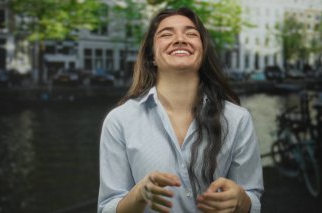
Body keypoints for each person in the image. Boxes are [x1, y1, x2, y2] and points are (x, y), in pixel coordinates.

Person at [98, 7, 263, 213]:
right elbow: (106, 208)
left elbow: (252, 197)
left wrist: (242, 201)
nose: (180, 39)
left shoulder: (238, 119)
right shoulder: (119, 121)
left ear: (202, 52)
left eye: (191, 33)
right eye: (166, 34)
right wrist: (137, 196)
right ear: (152, 56)